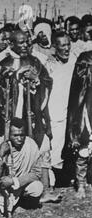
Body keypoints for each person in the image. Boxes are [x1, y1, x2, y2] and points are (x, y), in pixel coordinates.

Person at [0, 30, 54, 203]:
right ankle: (13, 190)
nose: (24, 46)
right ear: (11, 44)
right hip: (14, 116)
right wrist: (15, 77)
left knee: (41, 149)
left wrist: (36, 79)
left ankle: (44, 190)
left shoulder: (35, 61)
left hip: (33, 115)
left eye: (26, 42)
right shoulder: (5, 64)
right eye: (20, 43)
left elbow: (48, 81)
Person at [0, 118, 44, 215]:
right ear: (8, 134)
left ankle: (20, 203)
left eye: (22, 135)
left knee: (37, 188)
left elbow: (37, 173)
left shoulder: (30, 145)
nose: (19, 139)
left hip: (20, 188)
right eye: (15, 135)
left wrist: (15, 181)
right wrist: (0, 154)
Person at [44, 31, 76, 190]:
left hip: (71, 112)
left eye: (68, 44)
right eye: (62, 45)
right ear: (54, 47)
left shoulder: (75, 61)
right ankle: (51, 182)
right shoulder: (48, 65)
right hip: (54, 113)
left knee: (69, 145)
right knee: (54, 147)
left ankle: (69, 176)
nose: (66, 48)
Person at [66, 49, 92, 198]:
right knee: (83, 152)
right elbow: (78, 93)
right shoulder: (85, 59)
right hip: (85, 112)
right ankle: (80, 183)